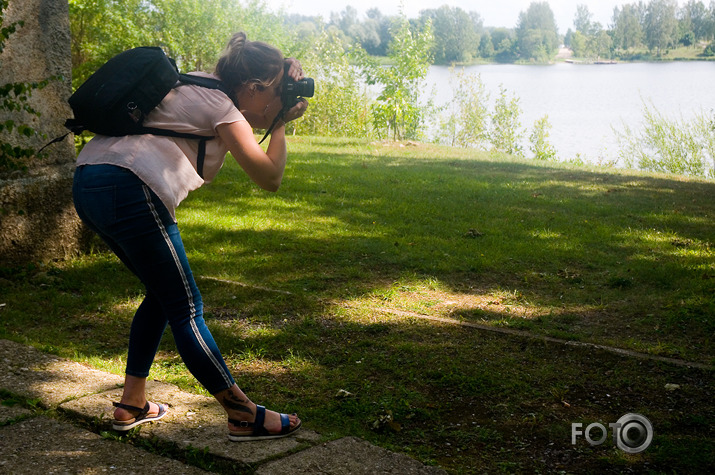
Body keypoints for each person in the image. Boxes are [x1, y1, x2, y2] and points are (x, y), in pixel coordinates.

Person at [72, 32, 307, 441]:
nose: (272, 105)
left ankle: (132, 403)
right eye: (272, 94)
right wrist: (282, 124)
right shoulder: (223, 107)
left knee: (162, 294)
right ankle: (242, 414)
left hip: (88, 181)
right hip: (130, 187)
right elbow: (270, 177)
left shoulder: (186, 82)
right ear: (252, 88)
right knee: (186, 306)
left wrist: (277, 109)